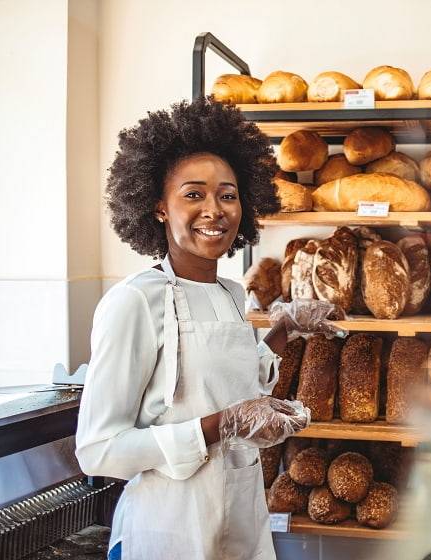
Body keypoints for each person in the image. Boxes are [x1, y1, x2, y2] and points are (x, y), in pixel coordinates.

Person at [75, 98, 337, 559]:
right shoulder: (136, 301)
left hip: (238, 519)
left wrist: (284, 327)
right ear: (158, 206)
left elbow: (235, 384)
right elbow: (99, 450)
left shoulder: (231, 293)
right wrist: (225, 424)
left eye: (228, 195)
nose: (215, 210)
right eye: (193, 194)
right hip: (168, 530)